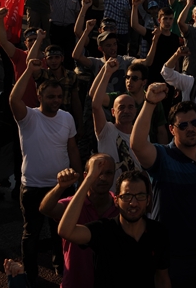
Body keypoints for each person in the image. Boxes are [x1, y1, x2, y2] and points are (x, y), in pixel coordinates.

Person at [131, 88, 196, 287]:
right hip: (172, 258)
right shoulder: (162, 158)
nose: (190, 128)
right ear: (171, 129)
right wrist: (150, 103)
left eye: (195, 123)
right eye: (183, 125)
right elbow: (137, 144)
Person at [10, 57, 82, 282]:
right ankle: (30, 276)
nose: (56, 101)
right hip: (32, 187)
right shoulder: (28, 117)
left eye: (59, 97)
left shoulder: (67, 117)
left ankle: (61, 268)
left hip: (61, 188)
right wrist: (29, 70)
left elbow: (72, 149)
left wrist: (78, 180)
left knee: (60, 232)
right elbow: (13, 98)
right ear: (39, 97)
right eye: (51, 96)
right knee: (31, 234)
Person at [58, 163, 169, 286]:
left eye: (140, 196)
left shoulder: (158, 232)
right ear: (116, 200)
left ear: (148, 200)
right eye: (127, 196)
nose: (133, 203)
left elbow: (162, 278)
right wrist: (88, 180)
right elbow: (65, 231)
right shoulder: (103, 230)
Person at [38, 157, 118, 288]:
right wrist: (60, 187)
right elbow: (45, 209)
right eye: (97, 173)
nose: (103, 178)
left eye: (108, 173)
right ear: (86, 175)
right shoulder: (73, 205)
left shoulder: (119, 205)